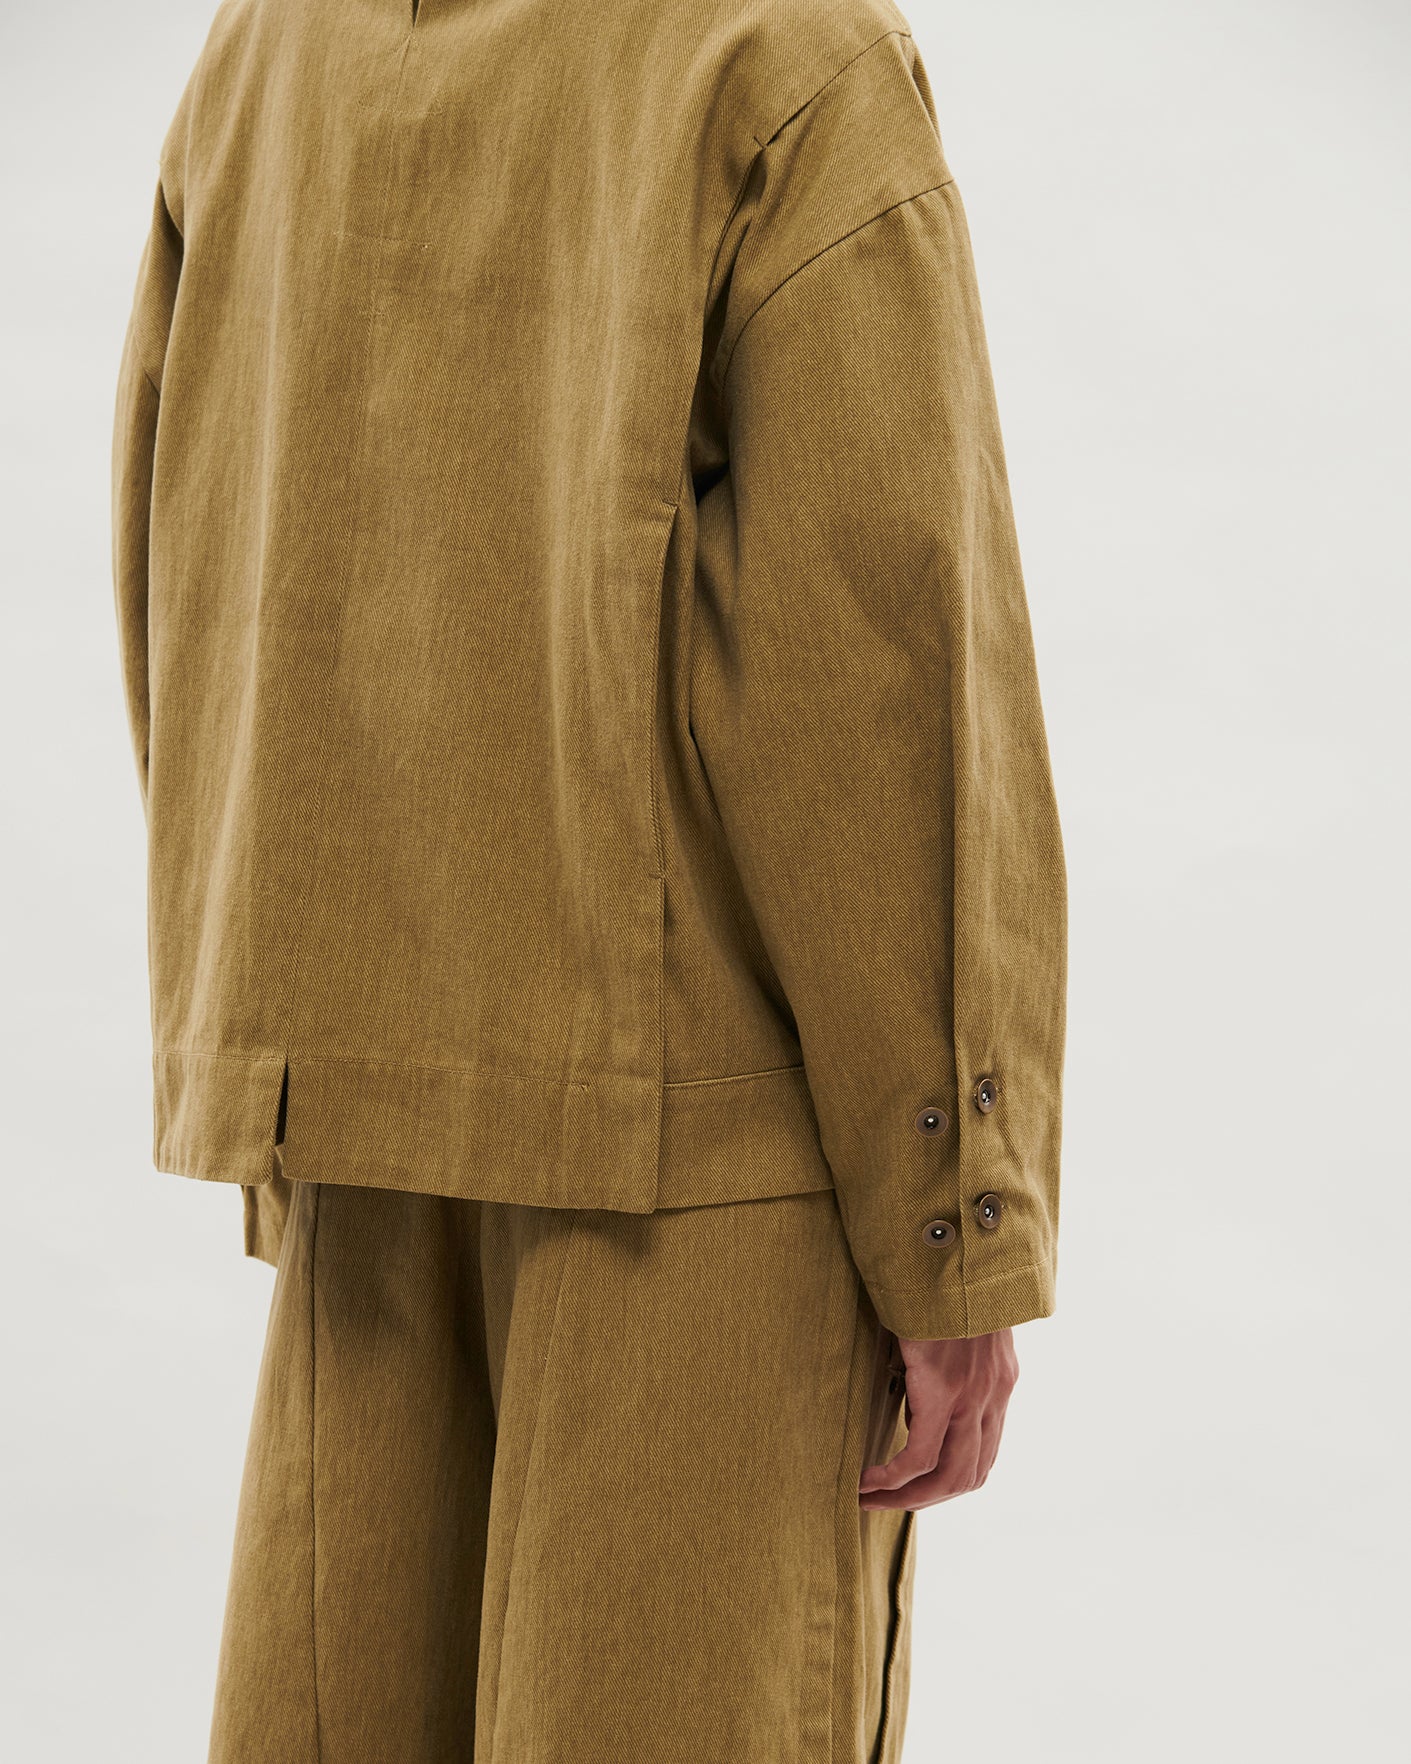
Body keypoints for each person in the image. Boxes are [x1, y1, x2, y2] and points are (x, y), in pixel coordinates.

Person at [110, 0, 1067, 1758]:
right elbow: (879, 667)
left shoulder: (269, 49)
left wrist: (285, 1072)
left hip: (370, 1169)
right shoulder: (780, 58)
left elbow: (181, 536)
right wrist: (954, 1218)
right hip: (699, 1171)